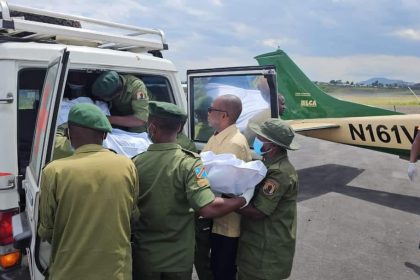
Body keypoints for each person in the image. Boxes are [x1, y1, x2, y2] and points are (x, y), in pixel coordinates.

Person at [131, 101, 254, 280]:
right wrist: (243, 199)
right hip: (178, 258)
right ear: (180, 128)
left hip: (145, 257)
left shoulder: (134, 163)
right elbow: (208, 208)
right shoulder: (189, 163)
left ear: (151, 127)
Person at [38, 103, 139, 280]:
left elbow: (46, 231)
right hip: (116, 272)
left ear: (68, 134)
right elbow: (133, 216)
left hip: (69, 272)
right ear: (105, 134)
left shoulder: (53, 171)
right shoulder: (127, 165)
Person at [237, 118, 299, 280]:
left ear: (272, 145)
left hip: (265, 253)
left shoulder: (279, 173)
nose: (255, 140)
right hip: (257, 246)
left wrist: (228, 201)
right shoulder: (268, 164)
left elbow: (259, 212)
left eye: (260, 138)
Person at [200, 94, 252, 280]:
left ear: (224, 116)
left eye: (211, 109)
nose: (208, 113)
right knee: (215, 267)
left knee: (223, 270)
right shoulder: (218, 136)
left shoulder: (233, 144)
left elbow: (222, 183)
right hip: (216, 216)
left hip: (226, 221)